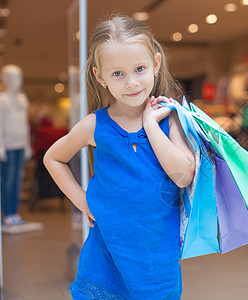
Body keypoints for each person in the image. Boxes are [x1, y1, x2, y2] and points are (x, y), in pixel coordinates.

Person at [44, 16, 195, 299]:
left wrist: (151, 125)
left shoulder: (170, 119)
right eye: (117, 74)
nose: (131, 83)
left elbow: (184, 175)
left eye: (139, 69)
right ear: (99, 76)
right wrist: (81, 200)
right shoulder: (94, 125)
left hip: (156, 262)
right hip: (105, 259)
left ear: (156, 64)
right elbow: (53, 158)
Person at [0, 64, 32, 226]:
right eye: (14, 78)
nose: (18, 81)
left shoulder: (22, 99)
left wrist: (27, 145)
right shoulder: (2, 100)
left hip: (20, 145)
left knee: (18, 180)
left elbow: (25, 124)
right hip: (8, 146)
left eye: (19, 77)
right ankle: (8, 213)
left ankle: (15, 212)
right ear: (5, 79)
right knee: (8, 180)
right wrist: (1, 146)